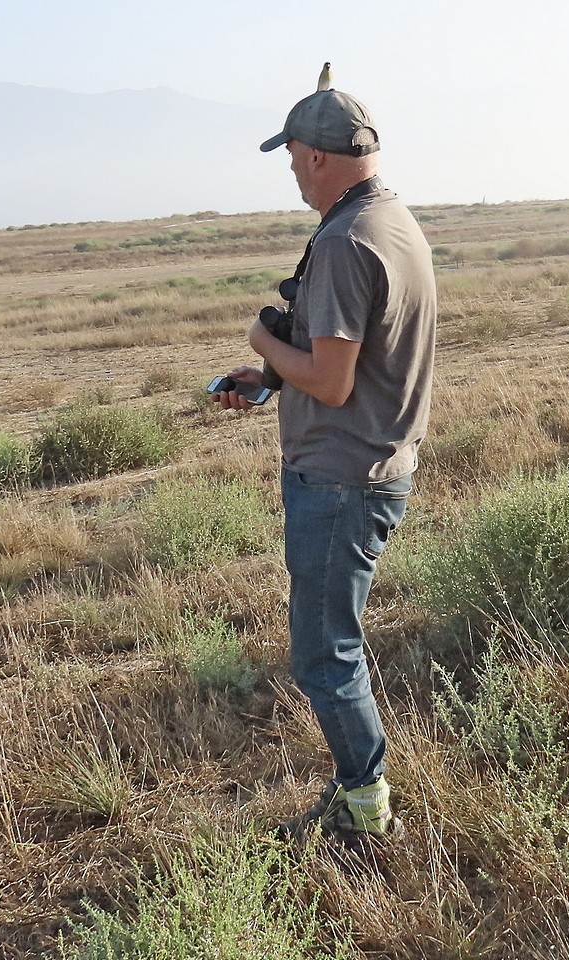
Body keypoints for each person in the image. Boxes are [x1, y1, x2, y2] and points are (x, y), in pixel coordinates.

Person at [213, 82, 436, 844]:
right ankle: (360, 795)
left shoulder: (342, 241)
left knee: (323, 656)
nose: (294, 177)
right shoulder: (390, 217)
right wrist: (274, 379)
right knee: (334, 641)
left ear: (315, 155)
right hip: (373, 463)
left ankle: (364, 810)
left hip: (340, 479)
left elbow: (335, 381)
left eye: (295, 164)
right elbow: (352, 360)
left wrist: (262, 343)